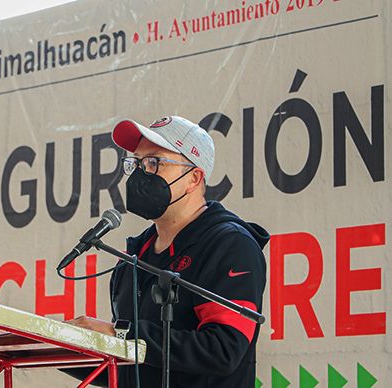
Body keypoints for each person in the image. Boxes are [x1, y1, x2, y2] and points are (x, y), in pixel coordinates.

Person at [64, 116, 269, 388]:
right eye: (136, 163)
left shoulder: (230, 244)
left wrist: (121, 334)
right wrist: (54, 344)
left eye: (154, 162)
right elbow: (131, 369)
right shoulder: (133, 258)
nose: (140, 173)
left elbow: (223, 349)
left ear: (194, 178)